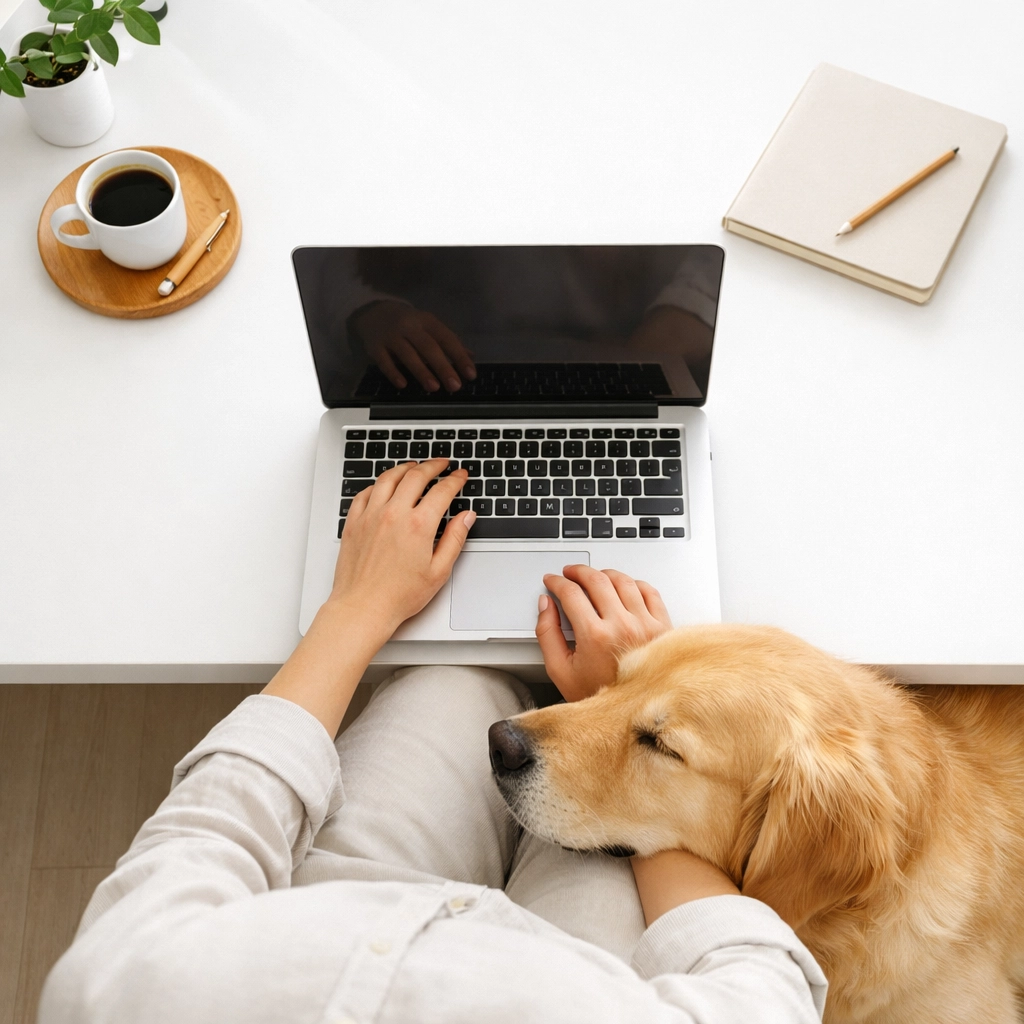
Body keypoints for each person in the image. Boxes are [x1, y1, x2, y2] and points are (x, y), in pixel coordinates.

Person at [39, 460, 826, 1024]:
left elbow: (212, 829)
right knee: (601, 840)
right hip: (582, 963)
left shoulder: (114, 990)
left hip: (343, 898)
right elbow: (762, 984)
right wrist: (625, 714)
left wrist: (356, 610)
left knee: (455, 683)